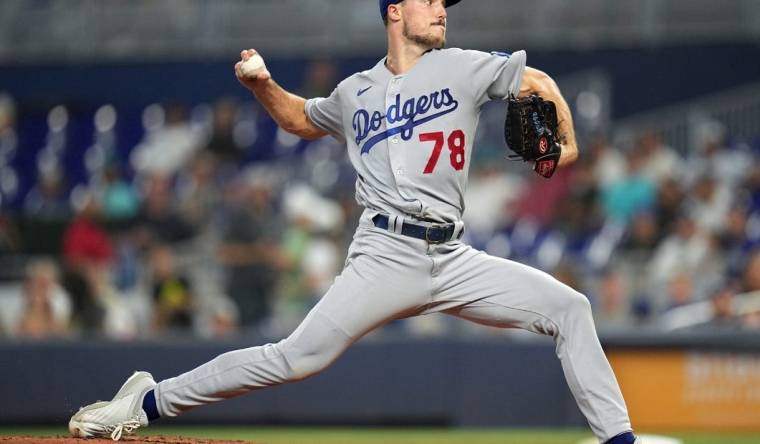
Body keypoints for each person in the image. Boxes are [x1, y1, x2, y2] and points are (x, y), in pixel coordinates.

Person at [68, 2, 638, 443]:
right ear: (395, 11)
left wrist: (563, 145)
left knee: (571, 308)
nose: (442, 11)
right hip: (385, 254)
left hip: (454, 256)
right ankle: (148, 402)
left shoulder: (463, 66)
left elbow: (539, 83)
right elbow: (300, 118)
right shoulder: (354, 92)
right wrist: (262, 85)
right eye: (429, 1)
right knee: (295, 358)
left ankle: (618, 439)